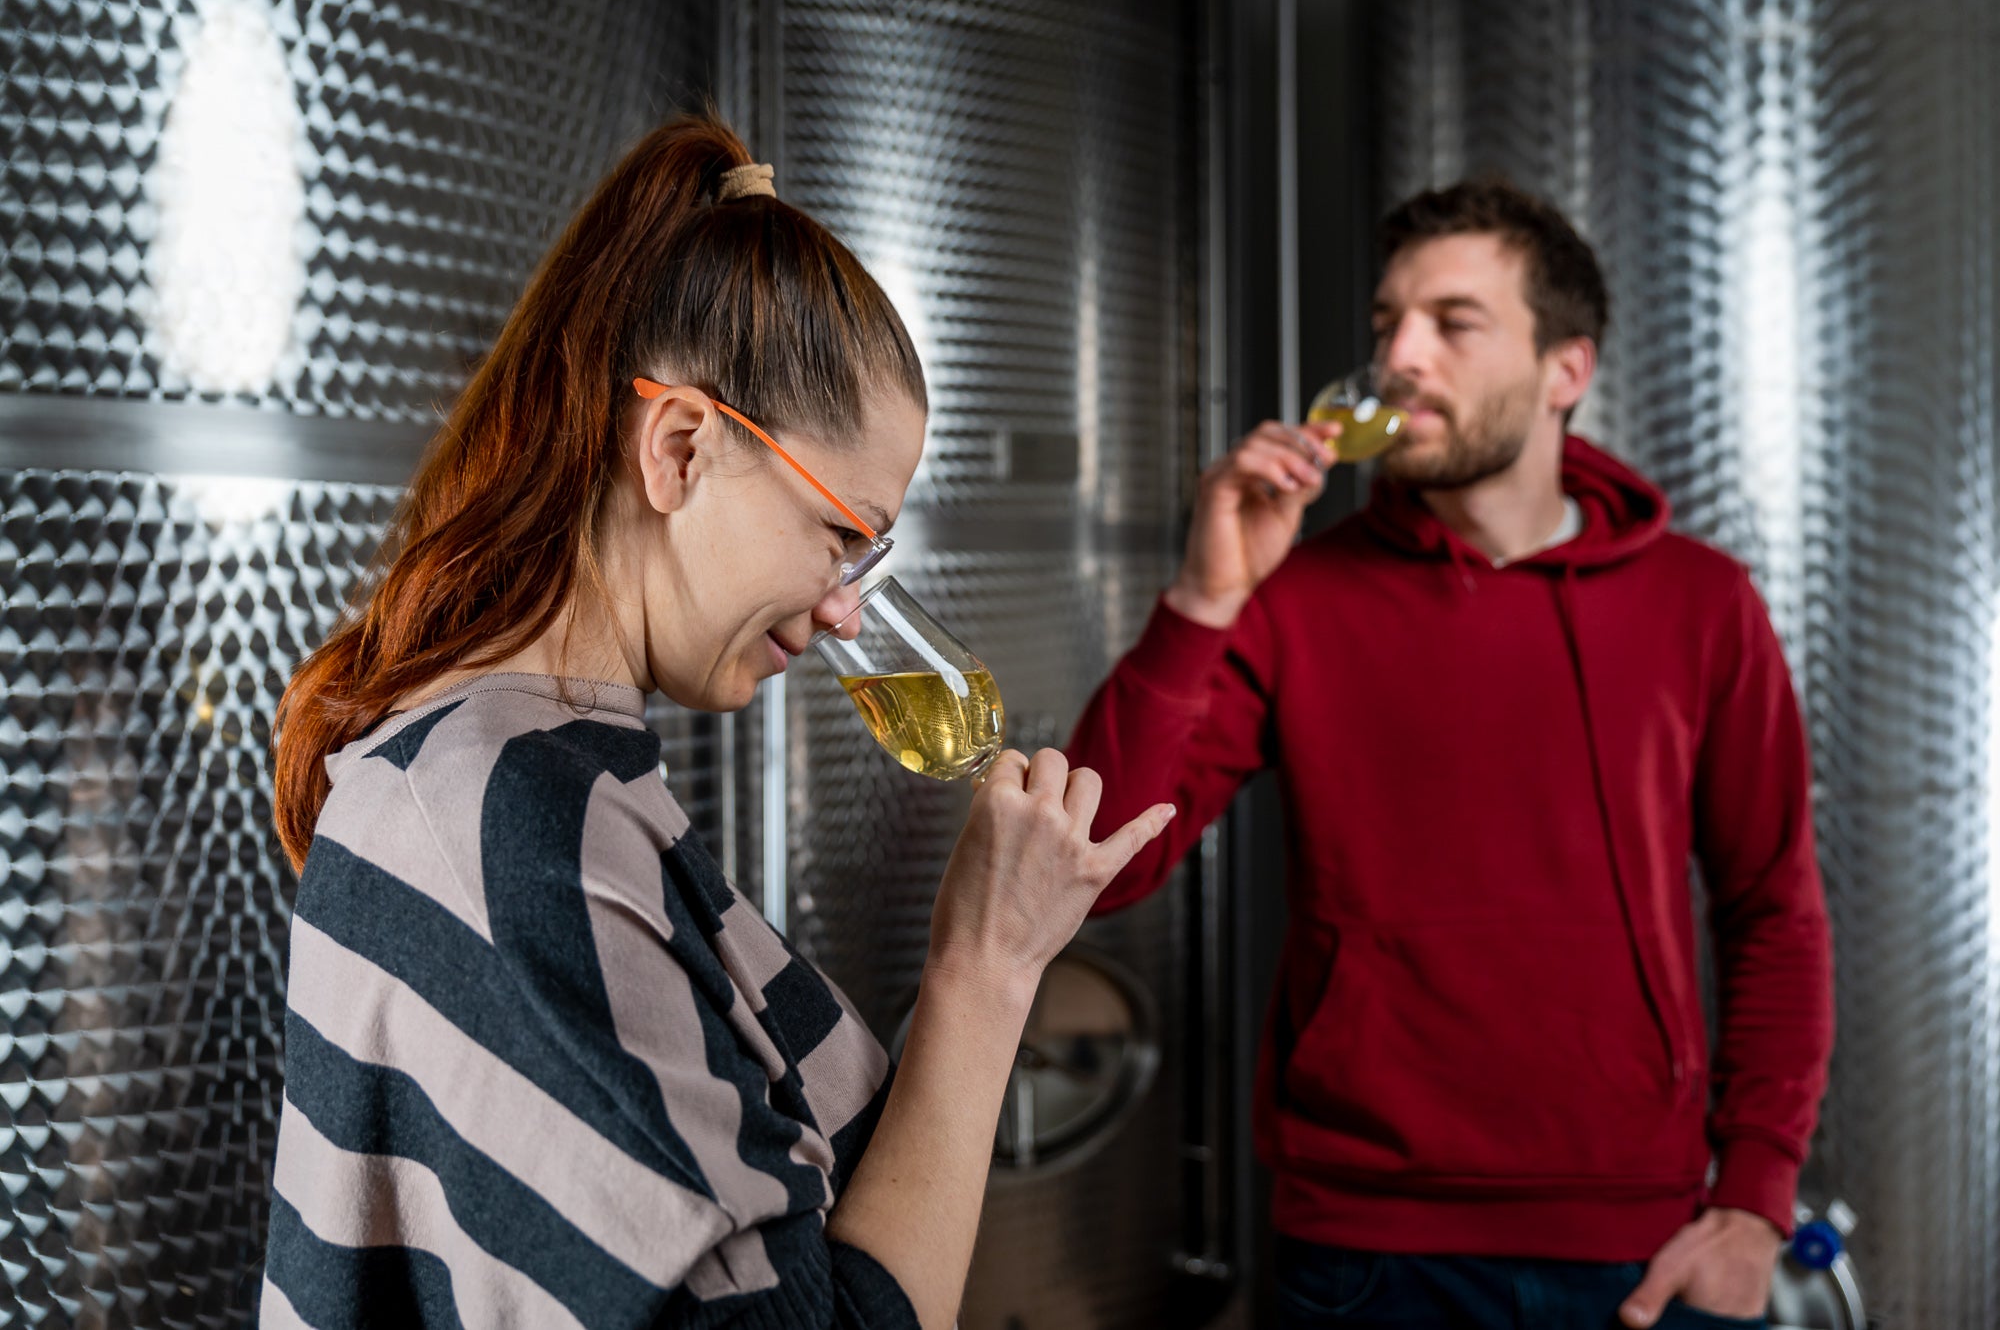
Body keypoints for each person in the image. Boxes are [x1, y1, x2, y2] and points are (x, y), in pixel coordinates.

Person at [262, 113, 1173, 1330]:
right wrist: (986, 966)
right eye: (839, 534)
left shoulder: (531, 772)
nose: (850, 610)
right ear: (682, 447)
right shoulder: (520, 828)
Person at [1067, 179, 1833, 1329]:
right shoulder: (1295, 595)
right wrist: (1203, 596)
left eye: (1451, 322)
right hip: (1363, 1254)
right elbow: (1097, 859)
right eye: (1386, 322)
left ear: (1563, 370)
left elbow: (1771, 907)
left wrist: (1756, 1201)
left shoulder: (1701, 603)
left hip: (1642, 1248)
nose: (1398, 356)